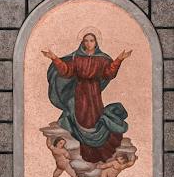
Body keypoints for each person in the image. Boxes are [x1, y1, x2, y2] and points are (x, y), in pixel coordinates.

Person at [43, 32, 133, 164]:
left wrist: (119, 59)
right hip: (80, 91)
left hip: (94, 94)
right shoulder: (77, 58)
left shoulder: (101, 59)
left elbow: (109, 73)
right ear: (82, 42)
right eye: (86, 41)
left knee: (95, 119)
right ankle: (85, 151)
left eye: (91, 40)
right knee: (82, 119)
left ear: (96, 42)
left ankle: (99, 153)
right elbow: (66, 71)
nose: (88, 43)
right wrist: (54, 58)